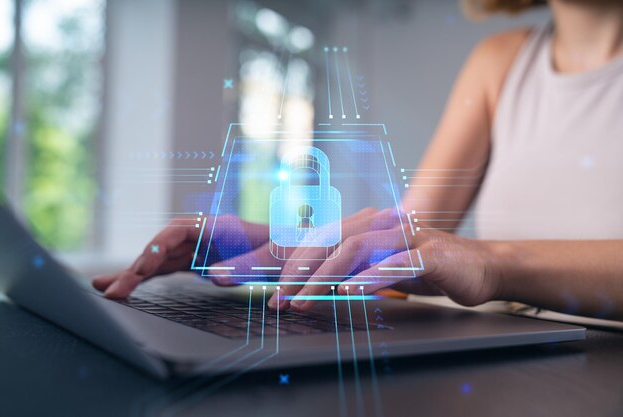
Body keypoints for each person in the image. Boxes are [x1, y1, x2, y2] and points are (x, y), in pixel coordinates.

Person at [93, 0, 623, 320]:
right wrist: (279, 244)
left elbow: (463, 255)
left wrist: (492, 261)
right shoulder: (500, 61)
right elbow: (410, 239)